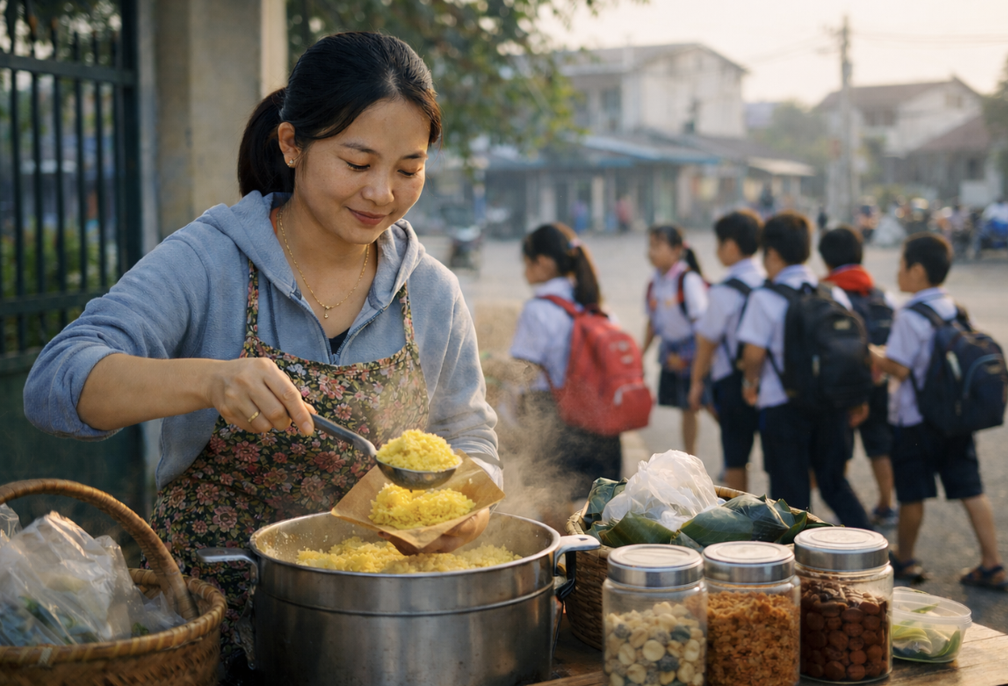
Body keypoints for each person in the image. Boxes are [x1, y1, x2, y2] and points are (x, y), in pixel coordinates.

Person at [23, 32, 501, 668]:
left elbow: (470, 439)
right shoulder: (209, 259)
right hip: (205, 615)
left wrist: (470, 505)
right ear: (292, 145)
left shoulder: (433, 293)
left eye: (408, 169)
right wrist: (210, 381)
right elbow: (54, 383)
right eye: (357, 164)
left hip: (372, 626)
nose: (382, 193)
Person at [869, 233, 1008, 589]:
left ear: (917, 271)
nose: (899, 272)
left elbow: (899, 367)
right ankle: (992, 564)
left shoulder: (910, 313)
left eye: (902, 265)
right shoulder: (957, 309)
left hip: (916, 421)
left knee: (913, 493)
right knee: (970, 488)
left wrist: (869, 352)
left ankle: (905, 559)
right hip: (954, 418)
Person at [737, 212, 872, 530]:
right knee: (835, 485)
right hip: (831, 405)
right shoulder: (832, 294)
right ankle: (874, 552)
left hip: (784, 409)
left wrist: (749, 383)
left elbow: (753, 355)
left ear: (770, 252)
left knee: (790, 500)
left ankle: (798, 566)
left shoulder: (764, 297)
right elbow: (854, 350)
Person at [509, 223, 621, 501]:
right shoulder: (599, 308)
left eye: (527, 263)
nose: (524, 272)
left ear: (544, 262)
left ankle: (568, 547)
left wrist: (505, 411)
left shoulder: (538, 310)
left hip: (556, 419)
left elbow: (523, 371)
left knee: (551, 504)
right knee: (598, 511)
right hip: (602, 422)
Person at [818, 226, 898, 527]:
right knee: (879, 445)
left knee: (842, 445)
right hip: (882, 380)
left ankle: (843, 503)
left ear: (825, 259)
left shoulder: (831, 293)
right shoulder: (881, 292)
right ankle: (886, 504)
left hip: (849, 384)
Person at [688, 210, 765, 492]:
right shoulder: (770, 282)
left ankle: (743, 518)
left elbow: (706, 342)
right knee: (776, 459)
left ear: (730, 246)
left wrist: (696, 381)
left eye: (718, 244)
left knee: (735, 457)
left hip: (734, 382)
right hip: (770, 381)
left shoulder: (723, 291)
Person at [643, 225, 709, 456]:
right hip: (670, 350)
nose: (651, 252)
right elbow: (652, 323)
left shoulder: (688, 280)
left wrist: (692, 360)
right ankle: (691, 456)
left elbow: (702, 327)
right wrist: (640, 355)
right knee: (687, 407)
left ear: (676, 250)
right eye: (650, 246)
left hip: (693, 349)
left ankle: (727, 449)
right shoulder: (655, 282)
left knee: (704, 402)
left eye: (657, 246)